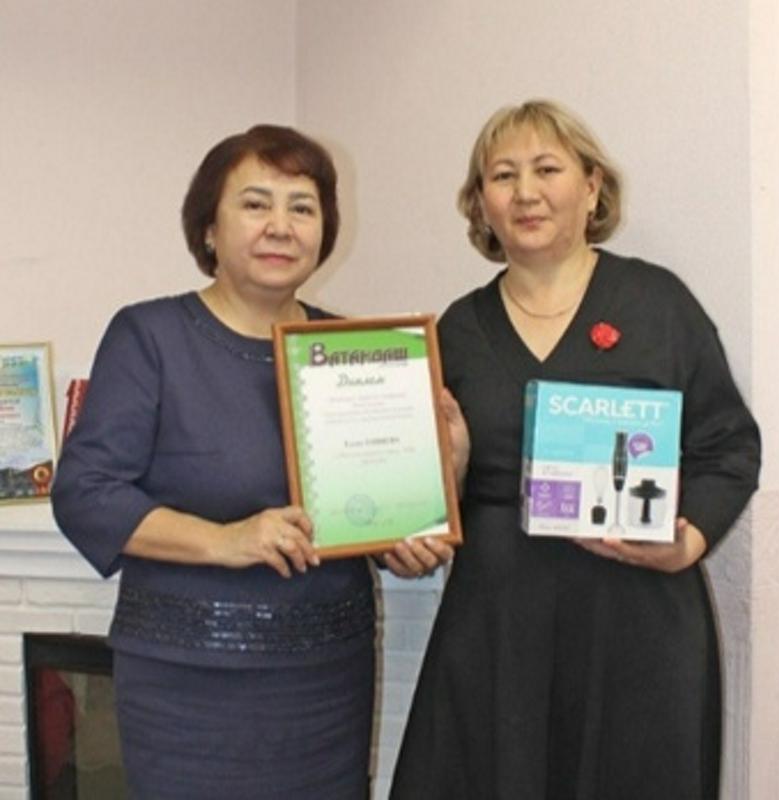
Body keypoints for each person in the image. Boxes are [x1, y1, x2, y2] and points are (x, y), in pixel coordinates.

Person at [51, 124, 451, 800]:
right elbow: (85, 493)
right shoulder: (150, 337)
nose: (281, 226)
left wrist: (412, 536)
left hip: (326, 683)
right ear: (209, 227)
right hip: (186, 685)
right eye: (256, 204)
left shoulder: (353, 349)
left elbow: (373, 512)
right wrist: (226, 540)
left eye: (302, 207)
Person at [389, 100, 760, 800]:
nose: (525, 192)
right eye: (503, 175)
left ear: (591, 187)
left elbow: (728, 446)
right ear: (481, 203)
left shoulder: (658, 304)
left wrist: (687, 543)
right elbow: (428, 493)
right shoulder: (457, 331)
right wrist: (449, 476)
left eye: (547, 169)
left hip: (637, 627)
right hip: (497, 629)